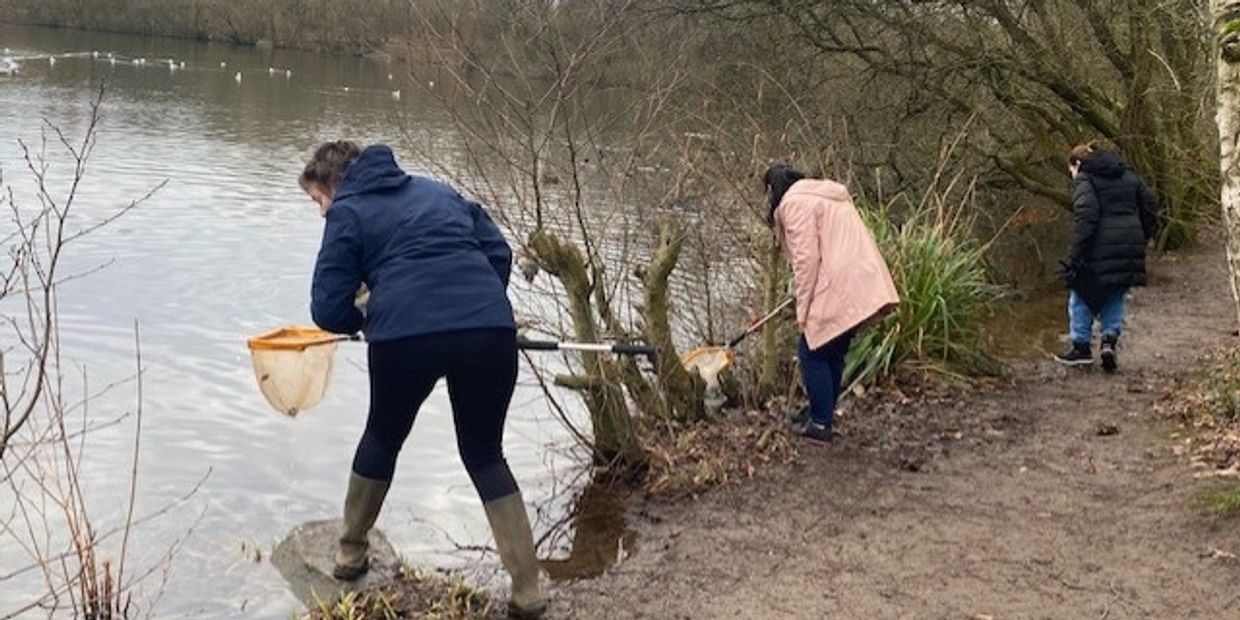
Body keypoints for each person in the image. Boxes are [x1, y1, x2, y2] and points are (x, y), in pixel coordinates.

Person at [301, 141, 545, 619]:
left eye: (317, 202)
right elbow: (498, 252)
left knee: (382, 438)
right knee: (485, 454)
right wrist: (474, 306)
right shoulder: (439, 193)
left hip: (405, 338)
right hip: (489, 331)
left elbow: (328, 309)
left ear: (334, 185)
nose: (320, 212)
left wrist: (367, 315)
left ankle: (350, 555)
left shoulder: (347, 212)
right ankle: (528, 591)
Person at [765, 164, 900, 443]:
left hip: (838, 285)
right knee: (833, 350)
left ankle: (820, 423)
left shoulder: (794, 204)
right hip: (862, 279)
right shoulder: (828, 196)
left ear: (773, 191)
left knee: (811, 350)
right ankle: (821, 413)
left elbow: (807, 260)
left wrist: (803, 309)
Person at [1054, 142, 1159, 372]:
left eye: (1071, 170)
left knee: (1080, 293)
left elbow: (1086, 216)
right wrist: (1142, 236)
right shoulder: (1129, 176)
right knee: (1115, 292)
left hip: (1097, 246)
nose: (1072, 176)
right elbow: (1150, 206)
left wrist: (1075, 253)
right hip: (1130, 243)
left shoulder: (1085, 179)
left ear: (1077, 163)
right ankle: (1108, 341)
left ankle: (1081, 347)